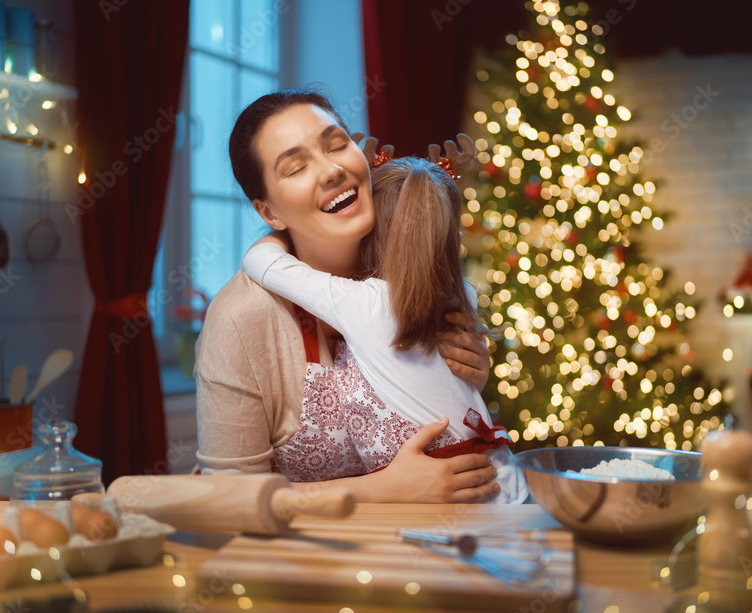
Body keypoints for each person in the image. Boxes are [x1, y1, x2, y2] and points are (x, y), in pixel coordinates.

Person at [195, 89, 501, 503]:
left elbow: (440, 409)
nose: (331, 170)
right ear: (269, 213)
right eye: (296, 167)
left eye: (338, 144)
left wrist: (468, 376)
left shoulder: (412, 270)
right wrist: (383, 490)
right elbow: (225, 499)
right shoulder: (243, 317)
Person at [242, 156, 528, 503]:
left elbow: (262, 263)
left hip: (468, 507)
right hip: (507, 485)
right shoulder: (461, 294)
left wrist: (285, 225)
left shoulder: (365, 303)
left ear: (372, 232)